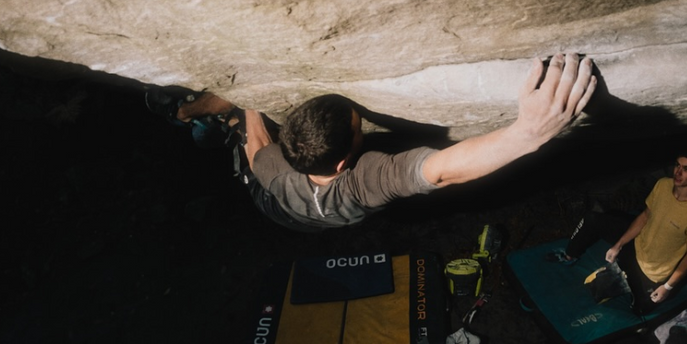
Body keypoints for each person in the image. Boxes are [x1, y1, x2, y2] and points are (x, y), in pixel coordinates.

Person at [149, 52, 597, 231]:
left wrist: (248, 95)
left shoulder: (277, 164)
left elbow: (259, 142)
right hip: (280, 207)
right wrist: (528, 133)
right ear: (345, 160)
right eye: (359, 125)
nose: (363, 120)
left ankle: (192, 116)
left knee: (237, 116)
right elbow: (441, 169)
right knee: (232, 115)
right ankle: (185, 114)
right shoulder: (367, 181)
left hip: (276, 201)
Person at [550, 152, 687, 313]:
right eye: (677, 165)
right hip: (637, 245)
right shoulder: (663, 185)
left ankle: (625, 277)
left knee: (639, 310)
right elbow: (645, 215)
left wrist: (667, 287)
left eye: (686, 169)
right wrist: (619, 245)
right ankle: (570, 255)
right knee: (592, 219)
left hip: (652, 272)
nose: (678, 172)